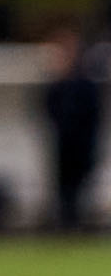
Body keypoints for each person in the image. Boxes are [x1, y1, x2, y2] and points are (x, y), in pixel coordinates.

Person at [41, 23, 103, 232]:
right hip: (63, 143)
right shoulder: (57, 83)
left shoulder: (85, 82)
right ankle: (66, 223)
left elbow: (93, 114)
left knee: (79, 187)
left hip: (81, 143)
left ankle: (76, 223)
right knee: (63, 187)